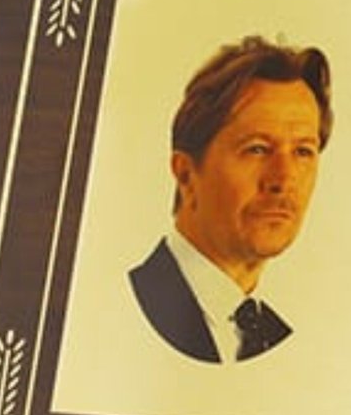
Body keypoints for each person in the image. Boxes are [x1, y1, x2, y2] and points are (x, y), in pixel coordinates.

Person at [128, 37, 332, 362]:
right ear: (186, 175)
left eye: (303, 152)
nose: (284, 180)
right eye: (257, 149)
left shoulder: (272, 337)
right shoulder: (124, 312)